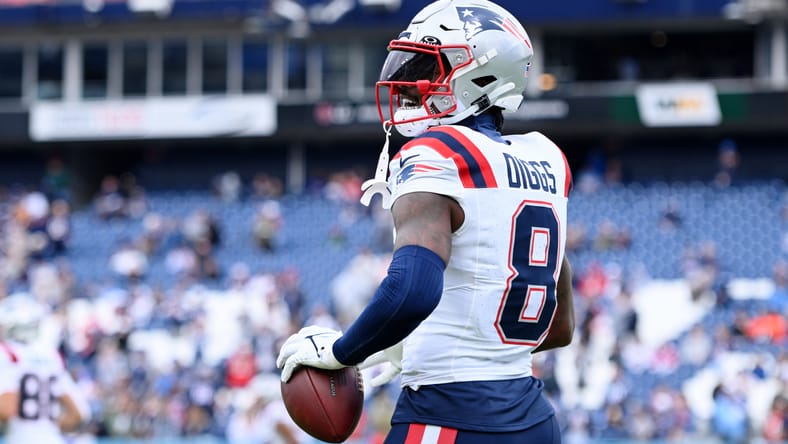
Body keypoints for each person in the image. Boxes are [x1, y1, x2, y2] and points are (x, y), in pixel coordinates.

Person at [277, 1, 575, 443]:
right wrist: (428, 341)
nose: (409, 83)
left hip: (449, 415)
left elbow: (412, 290)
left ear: (478, 76)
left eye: (430, 69)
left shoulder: (439, 153)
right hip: (534, 422)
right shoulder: (546, 158)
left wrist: (342, 352)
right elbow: (559, 324)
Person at [0, 293, 91, 444]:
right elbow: (79, 414)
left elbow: (8, 408)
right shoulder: (51, 356)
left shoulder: (8, 354)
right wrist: (47, 429)